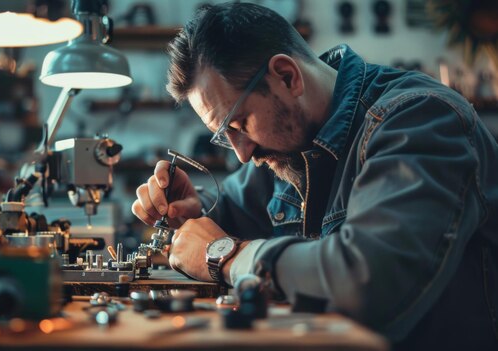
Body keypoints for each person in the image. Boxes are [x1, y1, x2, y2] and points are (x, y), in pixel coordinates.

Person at [131, 3, 498, 350]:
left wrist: (223, 254)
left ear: (287, 77)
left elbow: (367, 285)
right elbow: (220, 223)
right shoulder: (285, 148)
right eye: (225, 137)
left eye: (239, 124)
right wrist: (193, 215)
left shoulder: (421, 120)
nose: (243, 154)